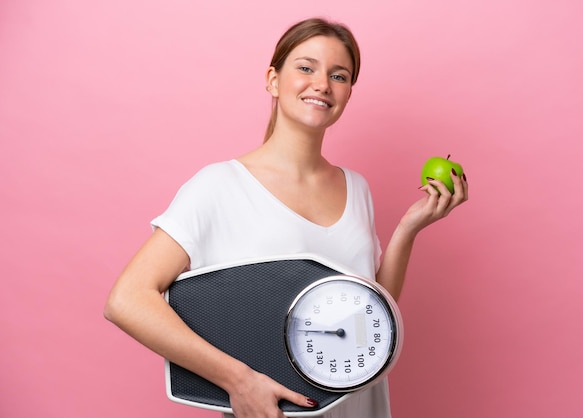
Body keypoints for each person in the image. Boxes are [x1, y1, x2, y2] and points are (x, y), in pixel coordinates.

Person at [104, 17, 468, 418]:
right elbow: (127, 300)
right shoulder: (220, 186)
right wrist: (237, 380)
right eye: (306, 68)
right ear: (273, 80)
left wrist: (407, 229)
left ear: (348, 92)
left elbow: (367, 312)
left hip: (360, 405)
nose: (322, 84)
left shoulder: (357, 188)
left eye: (339, 75)